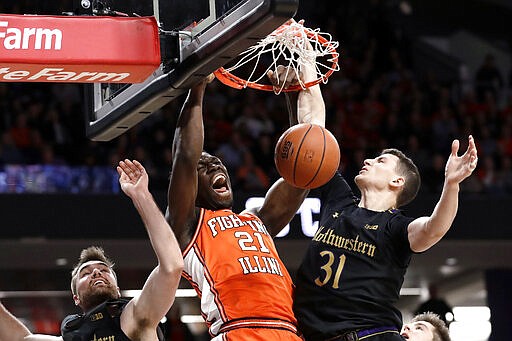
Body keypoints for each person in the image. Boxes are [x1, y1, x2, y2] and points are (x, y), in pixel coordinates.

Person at [292, 97, 478, 339]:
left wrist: (452, 184)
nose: (367, 161)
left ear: (397, 182)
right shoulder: (339, 200)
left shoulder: (395, 227)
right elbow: (314, 132)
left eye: (381, 161)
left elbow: (433, 229)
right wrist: (307, 70)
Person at [166, 64, 324, 340]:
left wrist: (291, 94)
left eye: (217, 163)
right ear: (191, 185)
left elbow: (299, 175)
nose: (215, 165)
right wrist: (198, 88)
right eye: (205, 167)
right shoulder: (187, 226)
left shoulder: (256, 219)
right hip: (238, 330)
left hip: (289, 332)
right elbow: (185, 156)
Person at [0, 159, 184, 341]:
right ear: (76, 298)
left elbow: (172, 266)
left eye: (104, 270)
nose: (96, 272)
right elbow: (20, 338)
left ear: (118, 289)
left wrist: (141, 195)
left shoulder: (136, 316)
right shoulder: (71, 337)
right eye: (85, 273)